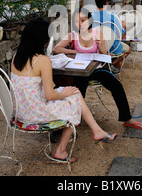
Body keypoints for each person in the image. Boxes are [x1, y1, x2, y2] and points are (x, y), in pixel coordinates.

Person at [11, 17, 118, 163]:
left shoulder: (16, 57)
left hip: (20, 111)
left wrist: (65, 91)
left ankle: (97, 131)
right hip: (35, 114)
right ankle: (61, 150)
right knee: (73, 99)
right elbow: (50, 95)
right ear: (42, 40)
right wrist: (65, 93)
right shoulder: (42, 60)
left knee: (73, 92)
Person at [53, 10, 142, 130]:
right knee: (77, 90)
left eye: (83, 20)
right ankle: (70, 121)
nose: (80, 24)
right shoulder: (73, 35)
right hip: (79, 71)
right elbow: (56, 49)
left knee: (116, 86)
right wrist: (75, 51)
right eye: (77, 21)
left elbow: (105, 56)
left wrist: (101, 46)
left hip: (96, 69)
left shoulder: (97, 33)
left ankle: (127, 118)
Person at [92, 0, 130, 67]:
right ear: (106, 3)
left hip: (97, 48)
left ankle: (107, 64)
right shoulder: (114, 17)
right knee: (128, 50)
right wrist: (124, 26)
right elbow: (121, 37)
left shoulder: (91, 17)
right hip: (113, 49)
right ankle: (112, 64)